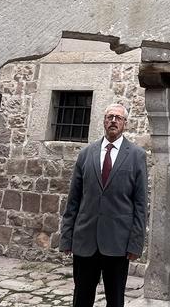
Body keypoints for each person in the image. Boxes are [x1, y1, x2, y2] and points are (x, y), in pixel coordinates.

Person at [60, 102, 148, 307]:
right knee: (81, 298)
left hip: (117, 243)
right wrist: (67, 237)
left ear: (125, 123)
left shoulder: (136, 156)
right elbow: (73, 199)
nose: (113, 121)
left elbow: (141, 204)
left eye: (118, 118)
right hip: (85, 240)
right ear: (104, 121)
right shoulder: (86, 154)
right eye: (110, 117)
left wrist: (135, 243)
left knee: (115, 300)